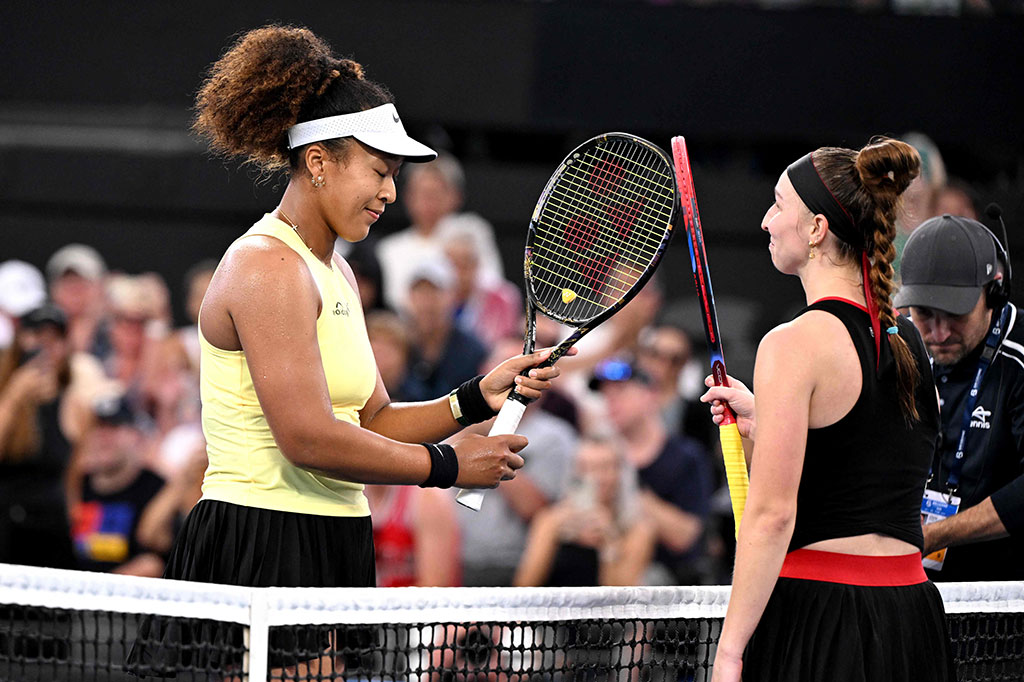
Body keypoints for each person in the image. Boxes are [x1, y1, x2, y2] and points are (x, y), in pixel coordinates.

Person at [126, 25, 565, 679]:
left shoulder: (333, 273)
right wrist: (445, 466)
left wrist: (474, 397)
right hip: (262, 538)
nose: (392, 193)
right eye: (381, 171)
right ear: (319, 163)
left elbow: (373, 419)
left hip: (330, 537)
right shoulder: (267, 265)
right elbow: (306, 437)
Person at [700, 138, 954, 681]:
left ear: (816, 228)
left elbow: (771, 517)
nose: (766, 221)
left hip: (823, 620)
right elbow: (861, 460)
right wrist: (765, 424)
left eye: (778, 205)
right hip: (913, 623)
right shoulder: (909, 338)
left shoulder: (791, 344)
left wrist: (729, 650)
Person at [893, 213, 1024, 582]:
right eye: (924, 314)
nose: (938, 332)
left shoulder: (1018, 361)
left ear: (994, 292)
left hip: (1006, 605)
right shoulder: (902, 349)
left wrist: (933, 535)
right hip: (922, 593)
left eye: (955, 314)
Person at [591, 358, 712, 584]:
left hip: (668, 582)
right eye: (606, 394)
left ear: (651, 395)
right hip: (598, 569)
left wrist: (627, 489)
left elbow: (686, 537)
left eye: (620, 391)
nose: (610, 401)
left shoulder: (686, 457)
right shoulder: (597, 453)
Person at [514, 433, 655, 586]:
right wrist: (554, 531)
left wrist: (609, 543)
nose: (595, 477)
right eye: (585, 468)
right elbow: (524, 586)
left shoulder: (637, 527)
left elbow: (622, 596)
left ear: (621, 473)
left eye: (604, 467)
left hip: (605, 608)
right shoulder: (550, 520)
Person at [377, 153, 504, 313]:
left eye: (436, 194)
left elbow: (493, 286)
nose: (428, 203)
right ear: (408, 197)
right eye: (422, 194)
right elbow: (393, 301)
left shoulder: (473, 231)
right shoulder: (389, 249)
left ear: (456, 196)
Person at [71, 392, 170, 578]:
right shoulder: (75, 485)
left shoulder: (156, 489)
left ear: (136, 436)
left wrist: (94, 592)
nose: (103, 437)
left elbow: (154, 563)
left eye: (114, 427)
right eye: (98, 427)